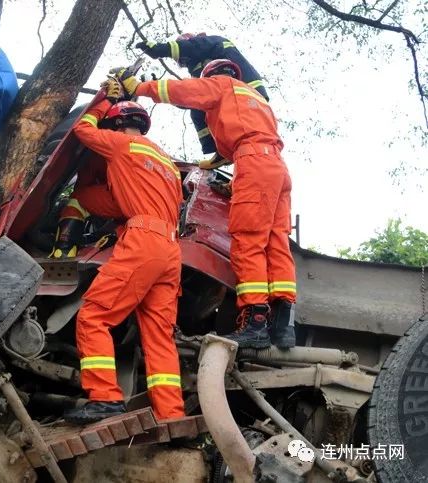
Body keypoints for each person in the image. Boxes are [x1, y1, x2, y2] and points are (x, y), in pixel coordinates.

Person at [116, 59, 296, 349]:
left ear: (212, 76)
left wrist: (140, 87)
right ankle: (282, 326)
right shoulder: (257, 101)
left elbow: (184, 92)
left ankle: (255, 323)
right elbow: (245, 138)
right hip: (276, 167)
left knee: (248, 240)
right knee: (276, 242)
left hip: (252, 162)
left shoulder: (222, 85)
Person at [63, 82, 185, 424]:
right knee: (159, 337)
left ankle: (105, 397)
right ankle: (171, 415)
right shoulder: (169, 167)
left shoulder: (121, 144)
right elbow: (120, 201)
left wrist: (104, 101)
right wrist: (88, 198)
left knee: (94, 316)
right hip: (171, 251)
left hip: (143, 241)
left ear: (116, 125)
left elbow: (82, 129)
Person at [136, 33, 268, 169]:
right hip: (246, 98)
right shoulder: (203, 65)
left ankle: (223, 150)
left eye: (184, 59)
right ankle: (225, 150)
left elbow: (191, 48)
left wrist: (159, 49)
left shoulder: (208, 43)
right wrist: (154, 84)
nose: (186, 63)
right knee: (200, 111)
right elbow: (189, 97)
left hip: (244, 91)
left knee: (199, 110)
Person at [49, 152, 124, 259]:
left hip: (121, 198)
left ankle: (63, 252)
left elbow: (82, 185)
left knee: (77, 201)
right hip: (145, 206)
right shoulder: (146, 151)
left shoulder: (96, 154)